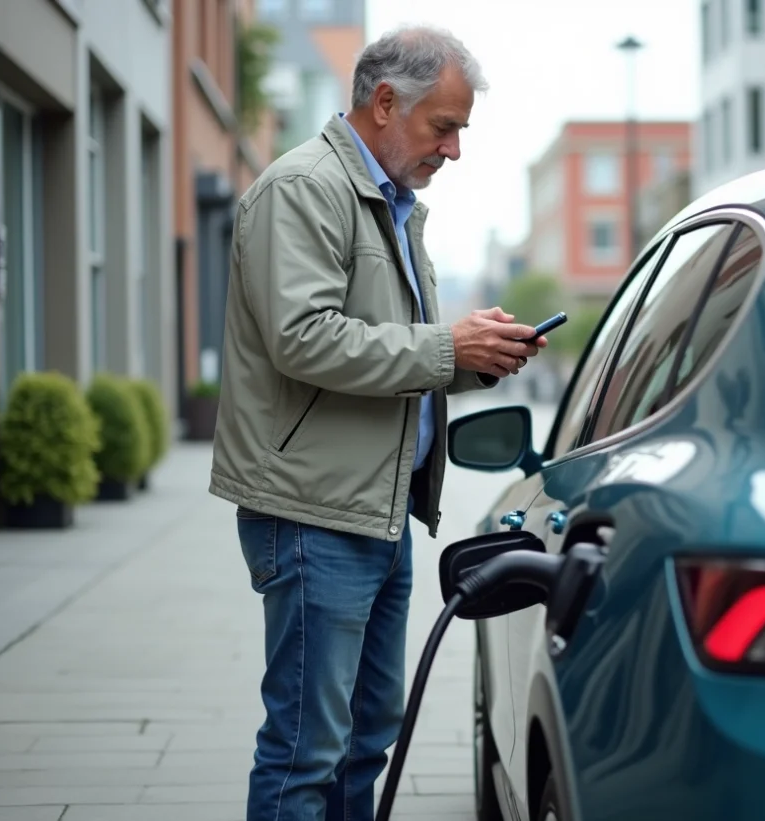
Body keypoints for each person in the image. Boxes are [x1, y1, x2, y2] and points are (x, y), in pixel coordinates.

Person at [209, 25, 547, 821]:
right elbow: (304, 338)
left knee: (364, 742)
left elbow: (391, 352)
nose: (455, 150)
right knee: (305, 751)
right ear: (385, 102)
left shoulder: (392, 205)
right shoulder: (304, 190)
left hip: (374, 511)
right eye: (445, 126)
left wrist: (476, 356)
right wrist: (444, 343)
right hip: (312, 514)